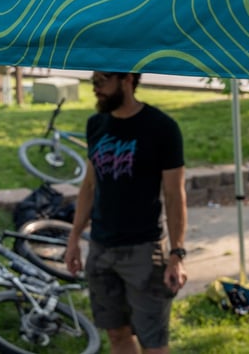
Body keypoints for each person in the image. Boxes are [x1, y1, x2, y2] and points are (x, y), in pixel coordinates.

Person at [65, 70, 187, 354]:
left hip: (144, 251)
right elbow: (89, 186)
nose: (95, 88)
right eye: (93, 81)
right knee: (117, 334)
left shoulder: (162, 128)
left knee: (153, 343)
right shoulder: (96, 125)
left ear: (128, 79)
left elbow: (174, 195)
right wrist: (74, 239)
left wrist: (176, 255)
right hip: (101, 248)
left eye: (102, 81)